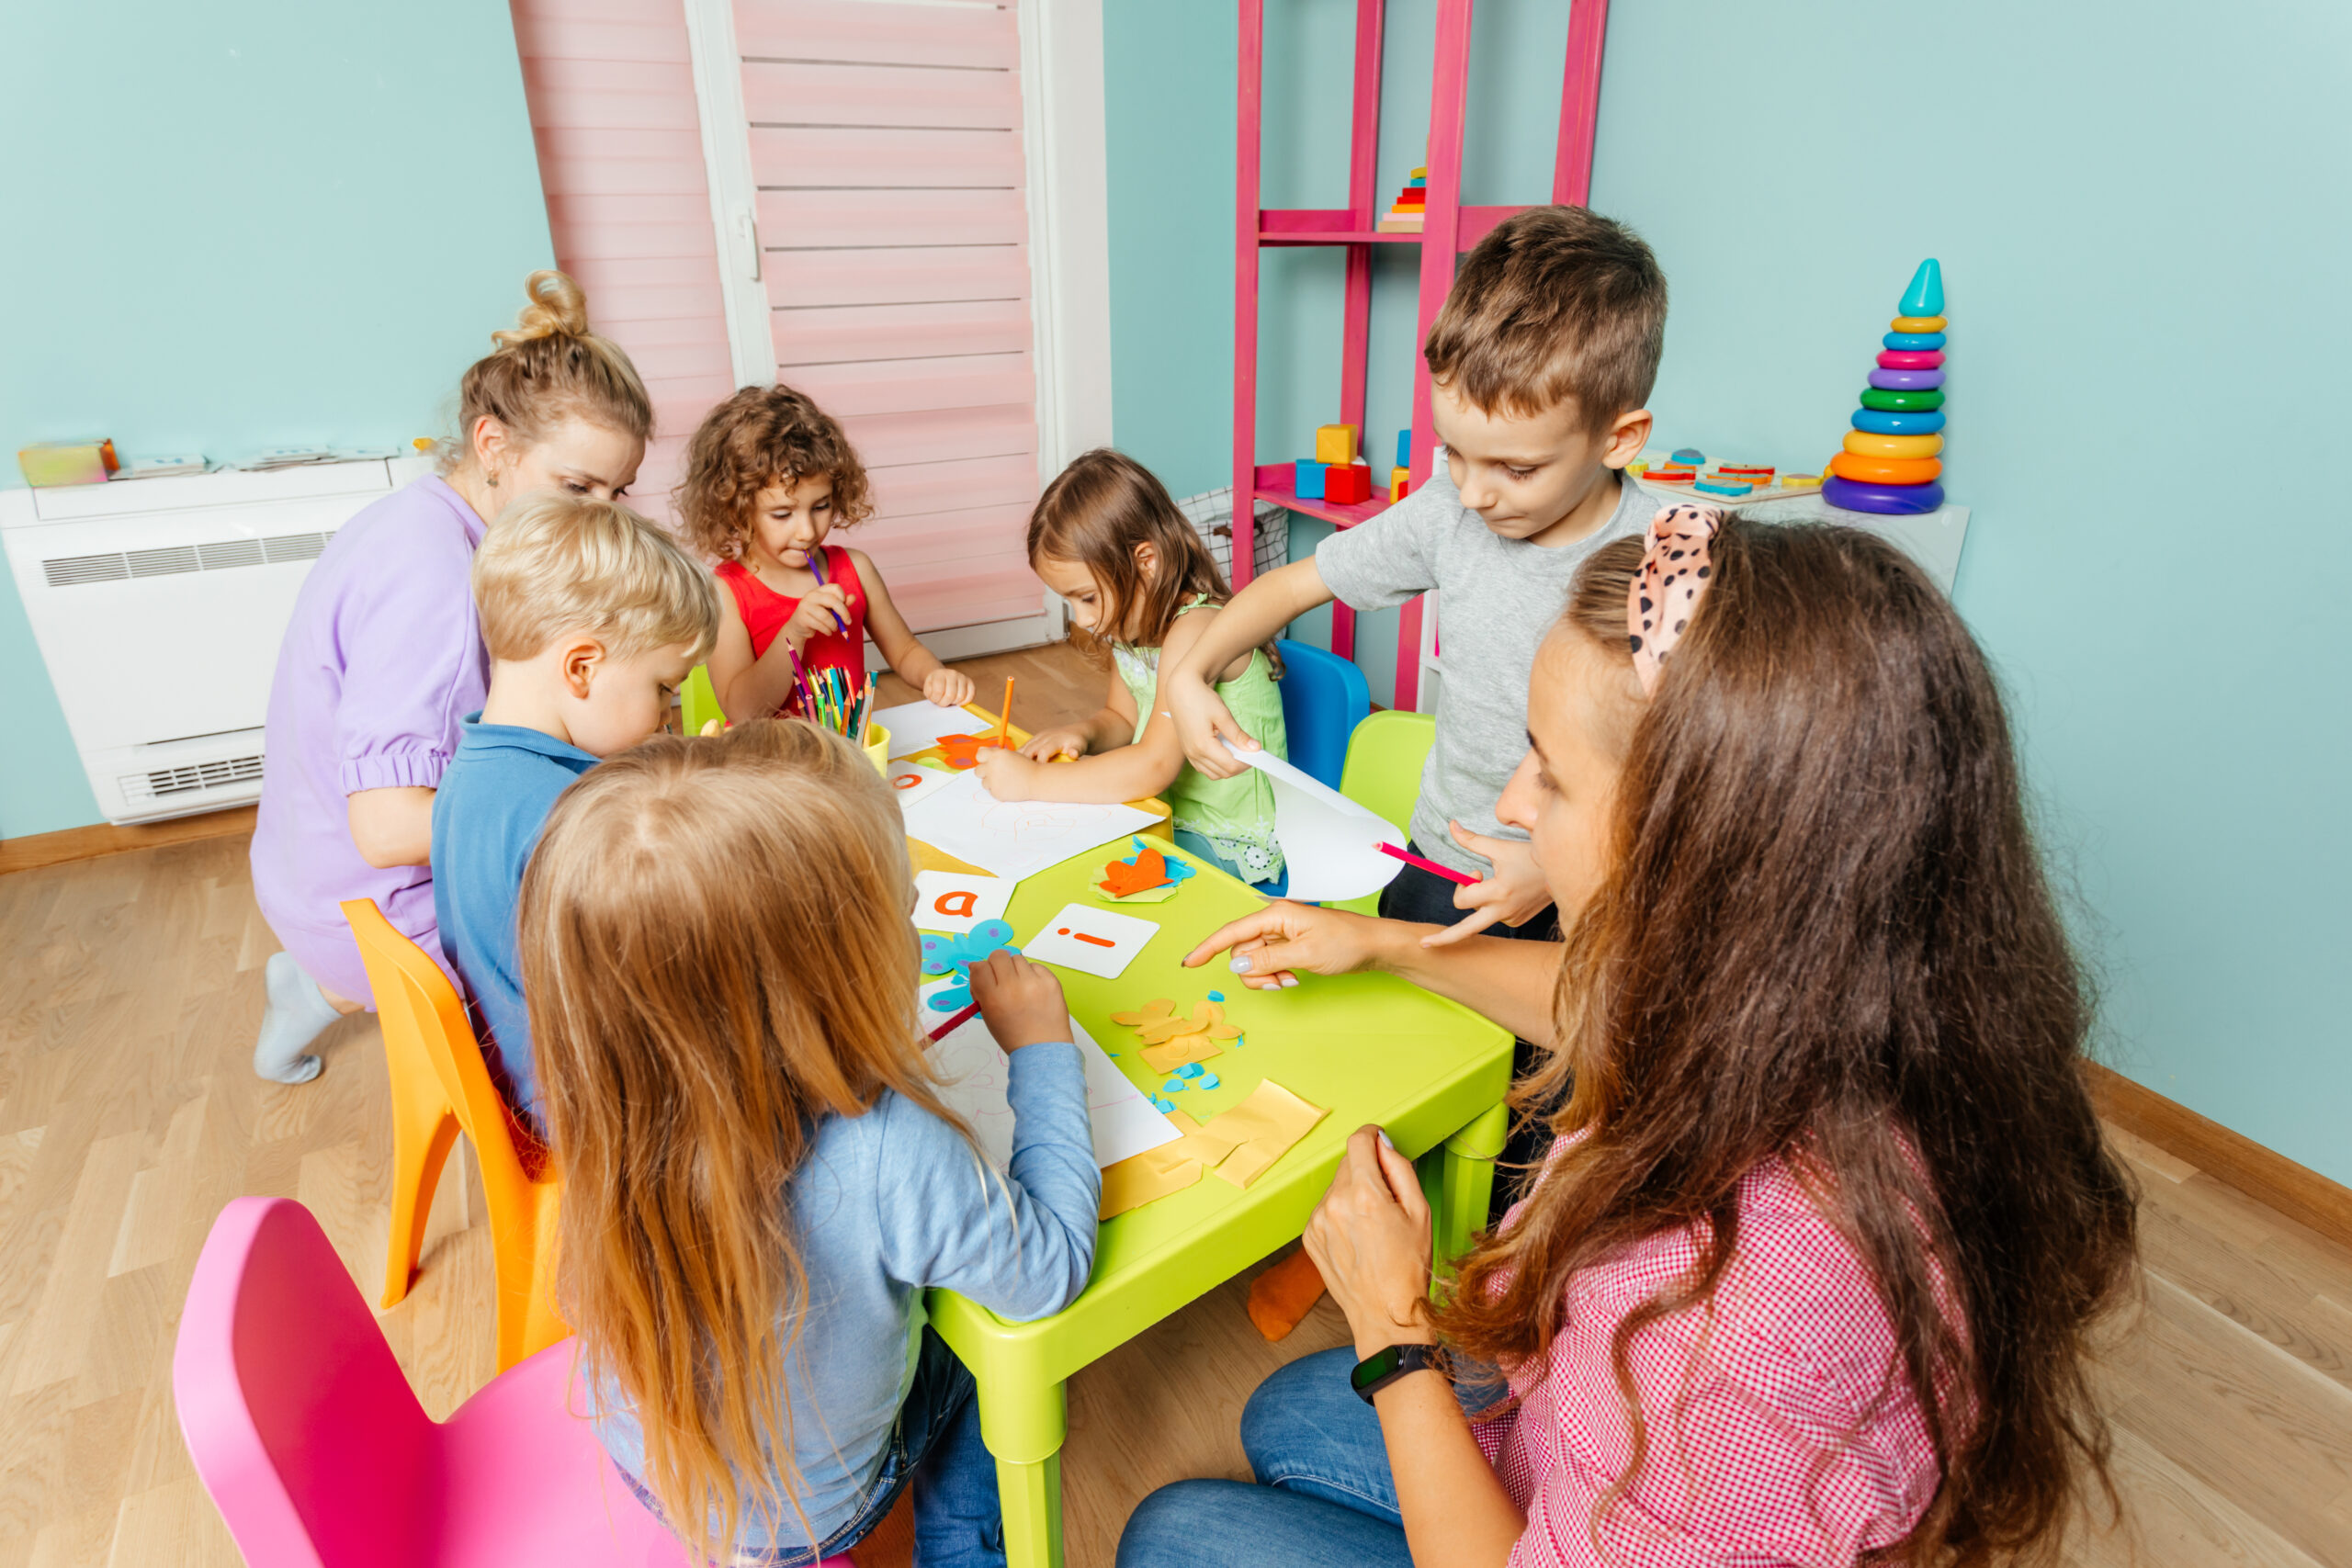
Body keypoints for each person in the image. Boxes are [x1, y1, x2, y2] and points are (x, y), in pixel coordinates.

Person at [1122, 511, 2138, 1567]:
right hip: (1581, 1439)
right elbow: (1603, 1003)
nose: (1513, 805)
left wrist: (1388, 1329)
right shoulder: (1842, 1001)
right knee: (1285, 1416)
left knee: (1172, 1535)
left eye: (1551, 778)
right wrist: (1384, 943)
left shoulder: (1728, 1317)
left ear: (1700, 854)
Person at [521, 721, 1099, 1567]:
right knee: (988, 1349)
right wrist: (1046, 1054)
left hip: (649, 1462)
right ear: (817, 984)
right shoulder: (889, 1151)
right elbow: (1049, 1271)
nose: (912, 932)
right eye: (902, 913)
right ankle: (963, 1548)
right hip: (811, 1514)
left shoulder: (614, 1104)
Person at [1166, 206, 1668, 942]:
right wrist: (1190, 672)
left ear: (1619, 439)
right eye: (1454, 452)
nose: (1472, 492)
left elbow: (1681, 776)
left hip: (1586, 890)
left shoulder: (1669, 559)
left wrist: (1560, 868)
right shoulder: (1447, 512)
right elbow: (1289, 587)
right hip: (1442, 860)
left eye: (1516, 468)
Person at [248, 269, 652, 1084]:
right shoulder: (436, 576)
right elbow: (389, 829)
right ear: (494, 446)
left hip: (306, 873)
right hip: (374, 909)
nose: (600, 516)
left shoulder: (433, 517)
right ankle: (333, 978)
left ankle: (317, 983)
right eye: (576, 488)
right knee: (643, 959)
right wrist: (587, 805)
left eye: (618, 492)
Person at [427, 495, 718, 1133]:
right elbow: (658, 981)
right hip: (600, 1114)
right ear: (582, 668)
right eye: (663, 688)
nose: (669, 715)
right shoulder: (564, 818)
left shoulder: (475, 770)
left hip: (535, 1081)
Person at [972, 448, 1289, 886]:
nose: (1081, 620)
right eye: (1068, 601)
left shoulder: (1195, 630)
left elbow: (1153, 767)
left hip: (1224, 841)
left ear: (1146, 562)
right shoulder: (1134, 633)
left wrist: (1033, 781)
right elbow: (1121, 719)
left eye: (1087, 597)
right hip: (1160, 816)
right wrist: (1083, 731)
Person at [678, 384, 976, 722]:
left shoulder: (856, 569)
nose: (807, 531)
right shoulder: (726, 593)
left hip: (845, 754)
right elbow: (745, 711)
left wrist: (934, 676)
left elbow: (905, 651)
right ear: (736, 509)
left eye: (820, 506)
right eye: (782, 514)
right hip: (767, 762)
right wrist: (796, 632)